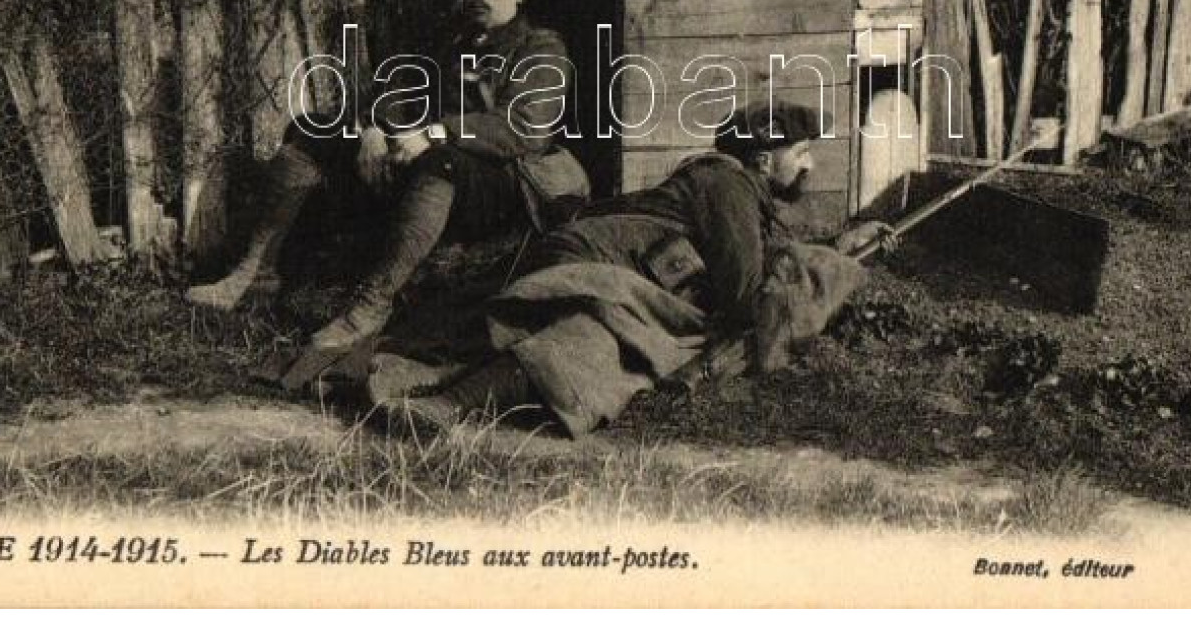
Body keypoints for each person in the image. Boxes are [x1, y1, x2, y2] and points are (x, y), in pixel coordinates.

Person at [185, 0, 588, 385]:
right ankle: (255, 273)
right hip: (429, 155)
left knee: (443, 164)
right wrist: (374, 127)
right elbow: (402, 90)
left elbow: (523, 129)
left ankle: (371, 305)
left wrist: (436, 134)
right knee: (314, 130)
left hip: (504, 180)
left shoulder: (541, 50)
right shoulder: (455, 39)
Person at [366, 102, 894, 437]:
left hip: (600, 258)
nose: (809, 165)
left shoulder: (736, 189)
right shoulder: (728, 187)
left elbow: (757, 253)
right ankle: (448, 405)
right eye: (800, 153)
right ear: (762, 159)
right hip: (594, 260)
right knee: (598, 338)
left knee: (607, 339)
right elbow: (742, 292)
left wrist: (837, 244)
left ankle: (444, 396)